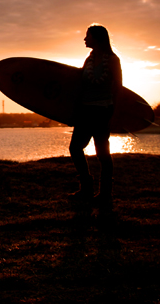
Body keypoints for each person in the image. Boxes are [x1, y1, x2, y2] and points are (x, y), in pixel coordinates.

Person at [69, 24, 122, 210]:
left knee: (102, 153)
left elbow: (118, 88)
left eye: (88, 36)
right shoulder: (88, 60)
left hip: (102, 111)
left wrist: (114, 114)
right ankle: (86, 187)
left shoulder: (113, 60)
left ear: (97, 38)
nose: (85, 39)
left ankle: (105, 192)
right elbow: (79, 85)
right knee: (75, 148)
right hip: (85, 111)